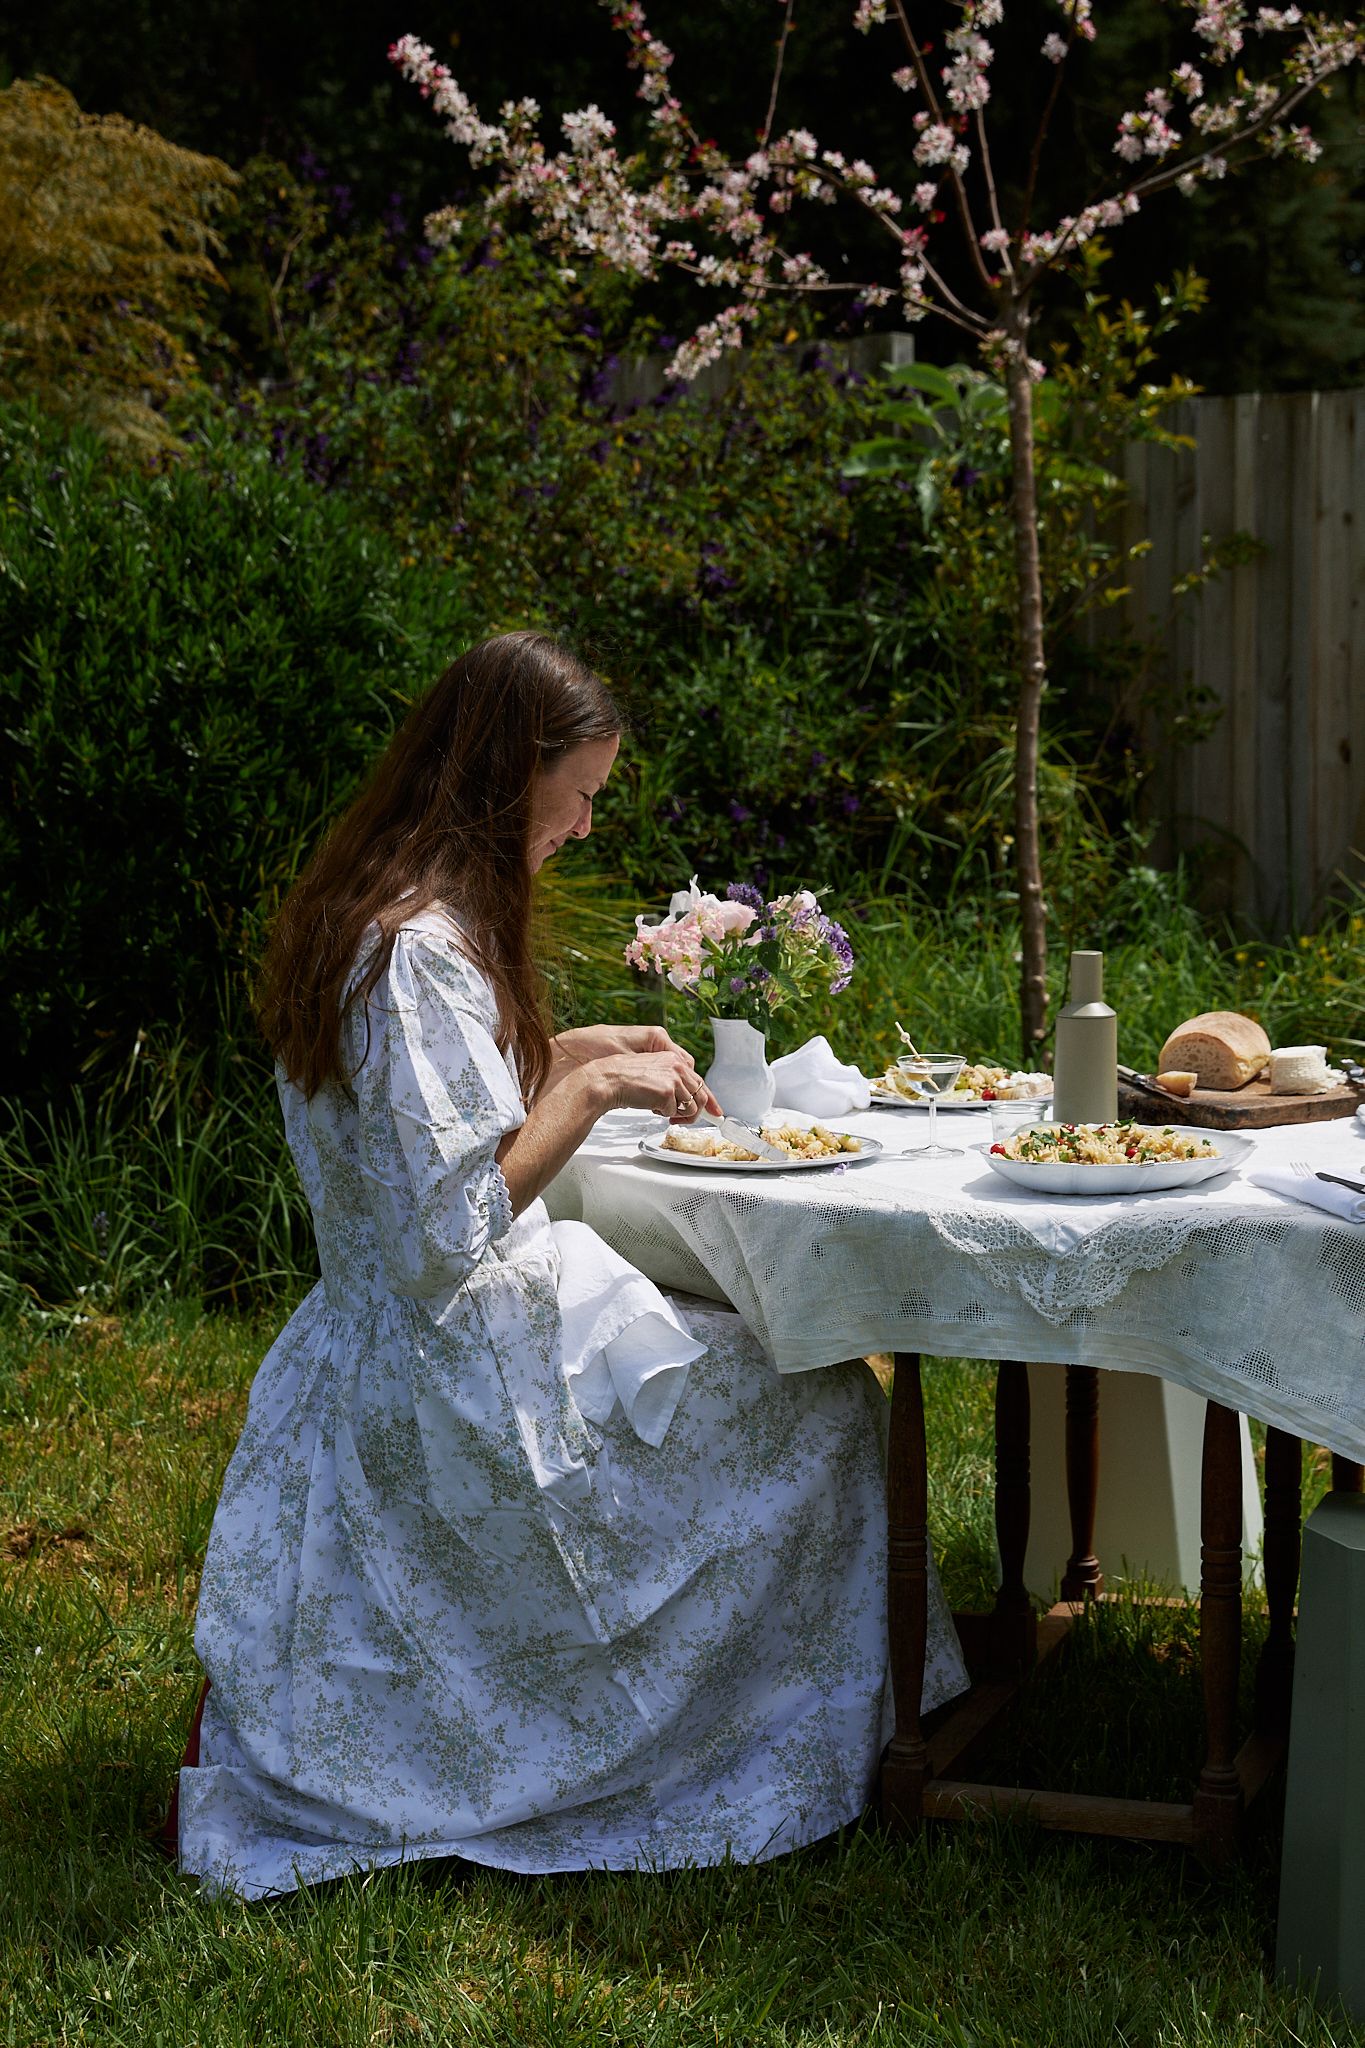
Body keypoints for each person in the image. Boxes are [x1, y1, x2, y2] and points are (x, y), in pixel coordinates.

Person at [176, 630, 966, 1897]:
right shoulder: (418, 953)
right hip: (461, 1385)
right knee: (823, 1398)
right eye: (582, 792)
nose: (589, 824)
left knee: (774, 1364)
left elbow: (421, 1122)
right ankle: (772, 1746)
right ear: (508, 772)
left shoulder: (375, 916)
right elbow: (445, 1235)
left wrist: (561, 1046)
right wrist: (593, 1084)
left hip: (375, 1351)